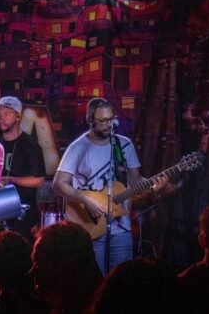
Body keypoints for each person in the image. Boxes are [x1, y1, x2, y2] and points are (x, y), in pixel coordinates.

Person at [52, 97, 146, 274]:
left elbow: (135, 181)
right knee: (94, 278)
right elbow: (58, 184)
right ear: (90, 120)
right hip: (89, 225)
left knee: (121, 278)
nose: (108, 125)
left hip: (122, 227)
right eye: (102, 121)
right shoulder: (78, 148)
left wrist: (156, 184)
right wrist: (85, 200)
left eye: (111, 119)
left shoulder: (124, 145)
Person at [0, 96, 46, 241]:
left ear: (18, 116)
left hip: (22, 213)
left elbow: (39, 180)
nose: (1, 118)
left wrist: (10, 180)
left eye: (7, 114)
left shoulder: (30, 145)